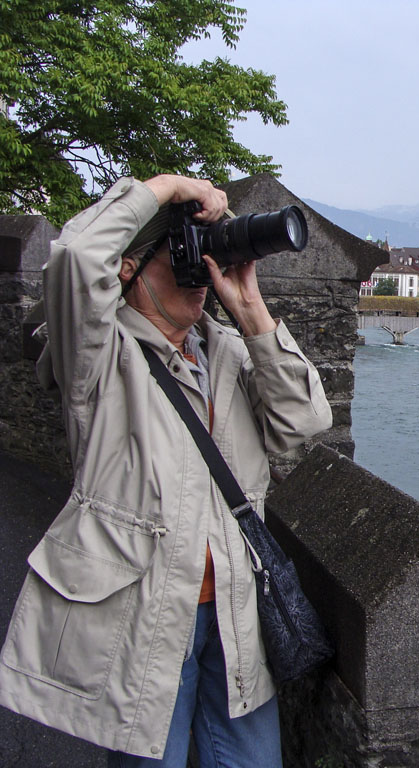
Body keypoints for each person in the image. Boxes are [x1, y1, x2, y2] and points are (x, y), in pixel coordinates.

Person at [0, 175, 333, 766]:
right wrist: (172, 187)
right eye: (179, 256)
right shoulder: (100, 357)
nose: (199, 275)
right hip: (142, 621)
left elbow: (304, 425)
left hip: (235, 619)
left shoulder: (230, 352)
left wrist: (250, 306)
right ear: (128, 269)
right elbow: (77, 256)